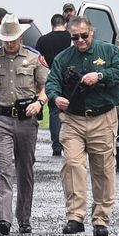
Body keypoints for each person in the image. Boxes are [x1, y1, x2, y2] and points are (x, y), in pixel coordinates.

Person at [45, 16, 119, 236]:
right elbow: (52, 81)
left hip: (102, 117)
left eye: (84, 35)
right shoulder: (64, 58)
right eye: (75, 37)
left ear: (91, 32)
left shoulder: (108, 51)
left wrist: (100, 75)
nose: (80, 40)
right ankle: (75, 216)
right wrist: (55, 98)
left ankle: (101, 219)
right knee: (72, 164)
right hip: (73, 119)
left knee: (102, 169)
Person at [0, 14, 49, 235]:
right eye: (6, 39)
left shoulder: (34, 58)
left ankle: (24, 218)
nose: (10, 43)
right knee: (4, 169)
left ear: (20, 36)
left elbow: (46, 86)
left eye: (13, 38)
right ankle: (4, 219)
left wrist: (40, 102)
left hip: (26, 121)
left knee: (25, 170)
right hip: (0, 120)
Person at [35, 13, 72, 156]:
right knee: (71, 111)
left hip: (52, 78)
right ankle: (70, 144)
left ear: (52, 25)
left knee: (54, 112)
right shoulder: (71, 37)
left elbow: (38, 61)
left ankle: (56, 146)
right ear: (65, 24)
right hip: (70, 79)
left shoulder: (43, 40)